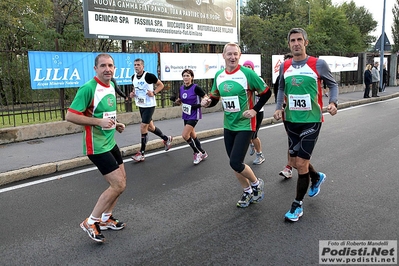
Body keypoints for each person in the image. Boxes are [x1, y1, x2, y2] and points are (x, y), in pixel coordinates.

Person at [273, 28, 338, 222]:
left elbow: (332, 84)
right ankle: (316, 177)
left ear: (306, 42)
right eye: (292, 40)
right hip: (291, 121)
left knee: (300, 163)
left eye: (299, 40)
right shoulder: (285, 66)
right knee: (294, 162)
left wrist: (333, 102)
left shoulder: (318, 63)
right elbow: (281, 87)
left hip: (312, 120)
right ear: (289, 44)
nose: (296, 43)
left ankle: (297, 206)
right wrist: (278, 107)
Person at [66, 53, 127, 243]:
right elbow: (70, 116)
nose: (107, 69)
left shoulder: (111, 85)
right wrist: (97, 121)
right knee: (118, 184)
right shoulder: (88, 88)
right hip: (97, 145)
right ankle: (91, 221)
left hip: (111, 141)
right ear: (95, 69)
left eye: (110, 65)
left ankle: (106, 218)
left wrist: (116, 124)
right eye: (103, 66)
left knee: (122, 183)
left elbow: (104, 112)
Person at [202, 42, 272, 208]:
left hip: (245, 125)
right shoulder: (219, 75)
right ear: (223, 56)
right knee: (234, 163)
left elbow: (266, 92)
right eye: (229, 54)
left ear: (239, 56)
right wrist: (207, 102)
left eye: (235, 54)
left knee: (235, 162)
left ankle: (256, 184)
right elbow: (215, 98)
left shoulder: (247, 74)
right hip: (229, 125)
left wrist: (255, 110)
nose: (232, 57)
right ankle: (247, 192)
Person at [129, 58, 173, 162]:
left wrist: (154, 92)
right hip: (141, 105)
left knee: (143, 127)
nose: (136, 66)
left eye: (138, 65)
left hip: (149, 105)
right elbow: (135, 88)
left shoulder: (148, 76)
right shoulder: (133, 77)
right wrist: (133, 94)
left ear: (143, 66)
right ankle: (167, 139)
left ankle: (142, 154)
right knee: (150, 128)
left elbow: (161, 85)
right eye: (135, 65)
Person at [170, 69, 208, 165]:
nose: (186, 77)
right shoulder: (181, 88)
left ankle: (196, 152)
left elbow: (205, 97)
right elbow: (180, 101)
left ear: (192, 77)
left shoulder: (196, 88)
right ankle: (203, 152)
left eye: (188, 75)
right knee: (192, 135)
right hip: (186, 113)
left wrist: (202, 103)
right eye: (184, 76)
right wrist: (176, 100)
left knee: (185, 135)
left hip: (195, 113)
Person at [243, 60, 265, 165]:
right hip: (246, 113)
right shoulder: (241, 80)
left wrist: (256, 92)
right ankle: (251, 145)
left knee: (254, 135)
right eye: (245, 66)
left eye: (249, 66)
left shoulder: (258, 79)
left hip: (257, 112)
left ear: (252, 68)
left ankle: (260, 155)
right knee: (246, 133)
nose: (247, 68)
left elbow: (265, 93)